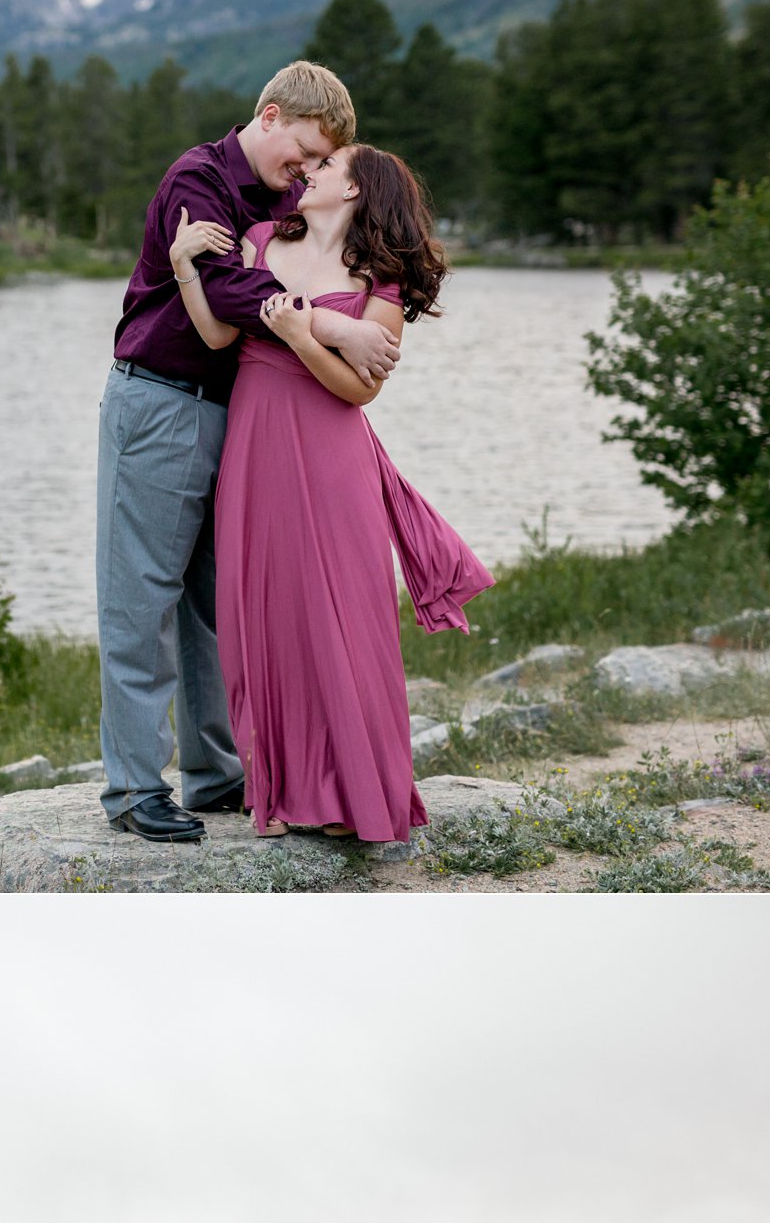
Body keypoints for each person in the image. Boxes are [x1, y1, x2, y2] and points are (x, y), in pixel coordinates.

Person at [96, 61, 400, 848]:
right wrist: (340, 328)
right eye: (299, 152)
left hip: (230, 412)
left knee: (211, 601)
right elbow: (230, 289)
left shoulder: (274, 201)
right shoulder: (197, 176)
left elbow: (271, 282)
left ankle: (212, 772)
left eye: (315, 163)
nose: (301, 171)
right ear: (268, 115)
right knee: (141, 598)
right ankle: (133, 786)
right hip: (160, 400)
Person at [172, 143, 491, 848]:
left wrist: (298, 333)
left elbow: (358, 389)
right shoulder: (259, 241)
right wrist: (183, 271)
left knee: (345, 616)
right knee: (262, 612)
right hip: (254, 447)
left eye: (325, 164)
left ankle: (359, 792)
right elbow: (219, 333)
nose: (308, 169)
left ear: (353, 190)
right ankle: (278, 791)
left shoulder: (382, 280)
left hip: (331, 453)